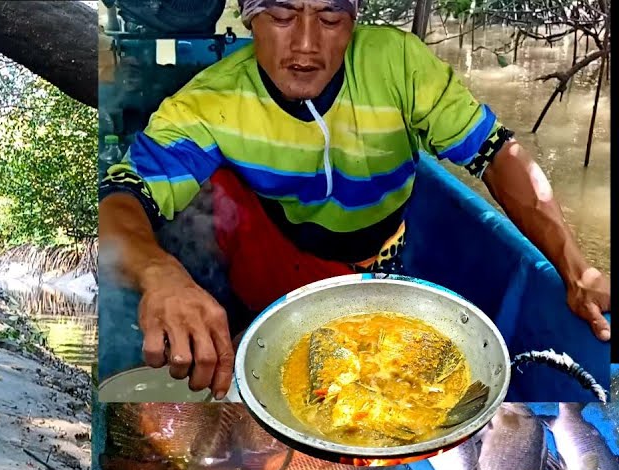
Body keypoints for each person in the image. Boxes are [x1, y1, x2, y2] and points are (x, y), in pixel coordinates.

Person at [99, 0, 611, 400]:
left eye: (329, 17)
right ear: (250, 18)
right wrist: (158, 273)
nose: (305, 45)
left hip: (386, 263)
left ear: (354, 19)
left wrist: (573, 266)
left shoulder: (399, 64)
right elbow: (119, 200)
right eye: (280, 15)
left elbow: (497, 153)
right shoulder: (208, 100)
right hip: (275, 260)